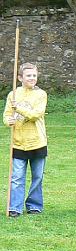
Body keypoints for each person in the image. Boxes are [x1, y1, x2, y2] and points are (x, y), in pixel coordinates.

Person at [3, 63, 47, 217]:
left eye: (34, 75)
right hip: (19, 142)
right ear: (20, 77)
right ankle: (15, 207)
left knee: (37, 177)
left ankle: (34, 205)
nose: (32, 78)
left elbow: (35, 114)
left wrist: (19, 108)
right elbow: (7, 115)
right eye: (28, 75)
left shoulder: (41, 94)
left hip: (37, 142)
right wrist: (8, 121)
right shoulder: (13, 95)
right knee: (17, 177)